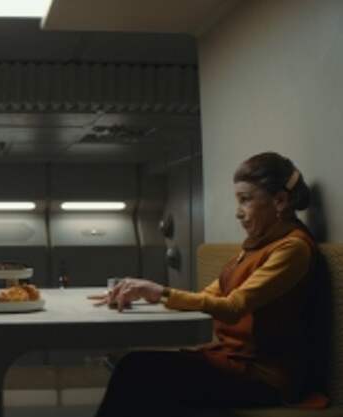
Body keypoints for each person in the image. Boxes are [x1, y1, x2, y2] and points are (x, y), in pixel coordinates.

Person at [93, 152, 322, 417]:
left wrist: (160, 292)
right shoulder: (260, 245)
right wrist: (145, 293)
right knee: (135, 370)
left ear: (279, 200)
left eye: (245, 200)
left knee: (135, 369)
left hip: (264, 377)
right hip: (232, 361)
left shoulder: (293, 248)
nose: (238, 212)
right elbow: (206, 297)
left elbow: (233, 307)